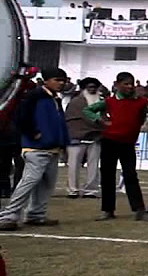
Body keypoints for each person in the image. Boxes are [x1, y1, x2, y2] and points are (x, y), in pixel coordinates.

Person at [0, 69, 69, 230]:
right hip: (36, 148)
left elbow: (60, 122)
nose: (61, 83)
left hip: (52, 148)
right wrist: (34, 134)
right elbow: (20, 117)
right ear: (46, 80)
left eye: (63, 80)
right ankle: (8, 215)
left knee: (46, 183)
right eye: (57, 79)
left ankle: (36, 214)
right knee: (29, 181)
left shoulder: (54, 98)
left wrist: (62, 144)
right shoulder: (35, 96)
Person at [87, 72, 148, 222]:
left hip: (127, 143)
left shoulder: (141, 102)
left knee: (131, 175)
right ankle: (107, 210)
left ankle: (139, 210)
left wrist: (133, 129)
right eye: (125, 84)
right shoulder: (109, 101)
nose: (129, 86)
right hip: (109, 141)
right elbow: (87, 110)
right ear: (117, 84)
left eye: (131, 83)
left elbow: (140, 118)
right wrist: (99, 121)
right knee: (107, 176)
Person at [64, 77, 103, 199]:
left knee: (94, 165)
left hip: (96, 137)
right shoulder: (75, 102)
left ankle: (91, 190)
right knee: (74, 165)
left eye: (94, 88)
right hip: (77, 137)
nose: (92, 90)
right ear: (84, 89)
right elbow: (70, 120)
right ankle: (73, 190)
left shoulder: (101, 102)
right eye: (89, 87)